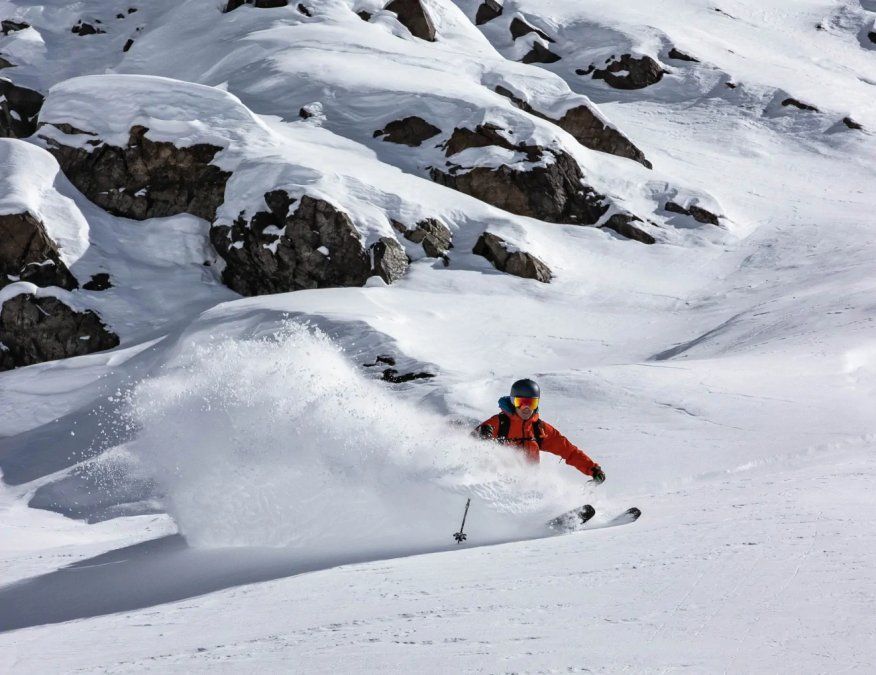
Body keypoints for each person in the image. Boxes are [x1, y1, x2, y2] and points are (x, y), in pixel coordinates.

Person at [474, 378, 605, 483]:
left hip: (529, 485)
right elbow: (467, 446)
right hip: (496, 485)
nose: (526, 408)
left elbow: (568, 451)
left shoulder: (539, 429)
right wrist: (481, 435)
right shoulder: (500, 423)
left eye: (531, 403)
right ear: (513, 402)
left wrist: (592, 469)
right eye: (521, 402)